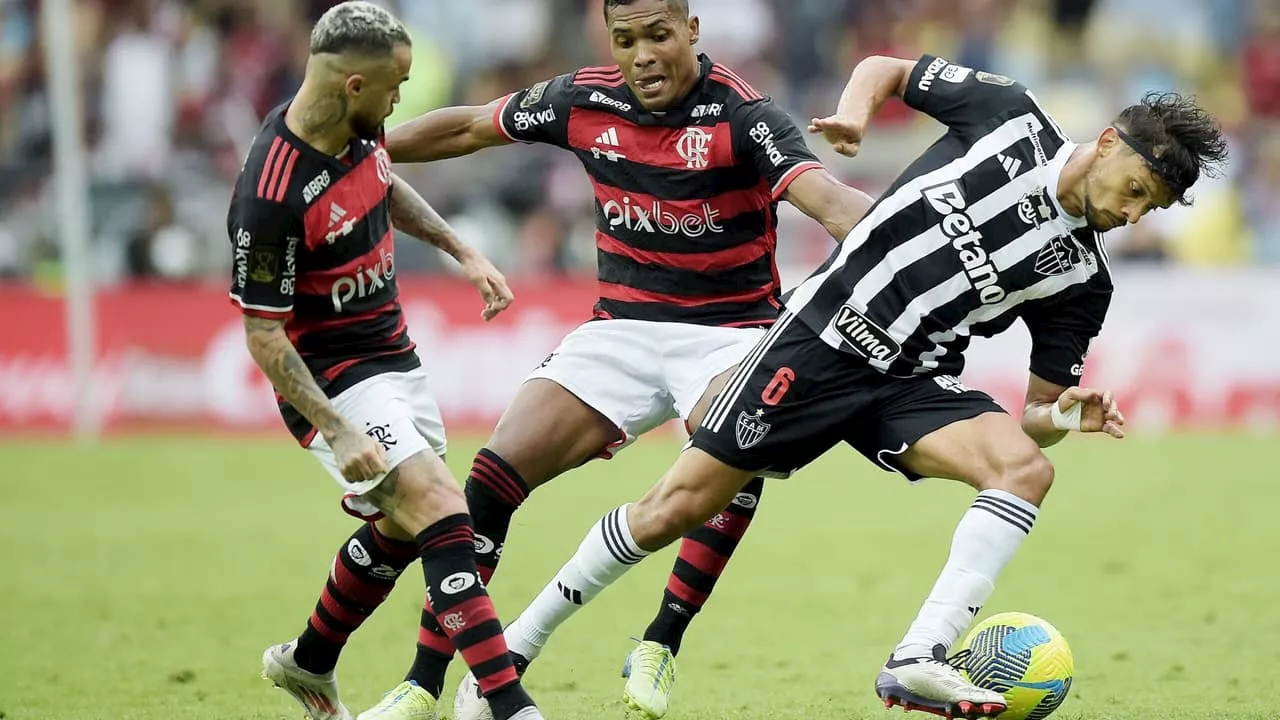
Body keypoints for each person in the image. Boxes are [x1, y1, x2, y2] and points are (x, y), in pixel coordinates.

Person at [482, 53, 1228, 720]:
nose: (1130, 214)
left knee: (1026, 469)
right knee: (671, 509)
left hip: (910, 380)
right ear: (1106, 145)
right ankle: (517, 647)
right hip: (820, 339)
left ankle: (916, 657)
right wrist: (853, 115)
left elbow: (1033, 415)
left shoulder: (1083, 279)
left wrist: (1065, 413)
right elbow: (886, 68)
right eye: (1134, 189)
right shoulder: (1009, 114)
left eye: (1147, 208)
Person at [351, 0, 875, 718]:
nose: (643, 55)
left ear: (692, 31)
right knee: (488, 481)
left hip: (731, 332)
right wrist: (364, 144)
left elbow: (830, 201)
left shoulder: (744, 116)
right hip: (622, 329)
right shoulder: (584, 98)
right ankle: (421, 683)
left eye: (659, 35)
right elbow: (471, 125)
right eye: (625, 39)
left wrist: (894, 245)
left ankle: (660, 640)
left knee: (736, 448)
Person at [228, 4, 544, 720]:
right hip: (334, 378)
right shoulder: (272, 193)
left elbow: (383, 180)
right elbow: (264, 337)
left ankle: (308, 662)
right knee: (441, 507)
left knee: (406, 527)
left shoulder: (355, 131)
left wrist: (460, 250)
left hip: (394, 355)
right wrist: (337, 430)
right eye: (396, 86)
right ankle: (509, 705)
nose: (402, 100)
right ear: (354, 84)